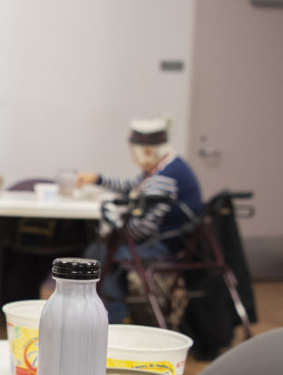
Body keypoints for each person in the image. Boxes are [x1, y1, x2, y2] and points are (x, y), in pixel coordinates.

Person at [76, 117, 204, 323]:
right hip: (177, 241)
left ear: (147, 151)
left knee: (98, 252)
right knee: (105, 248)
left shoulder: (164, 178)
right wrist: (98, 179)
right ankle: (118, 311)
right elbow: (130, 185)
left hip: (165, 246)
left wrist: (114, 224)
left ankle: (116, 316)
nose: (133, 160)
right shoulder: (168, 166)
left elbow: (142, 229)